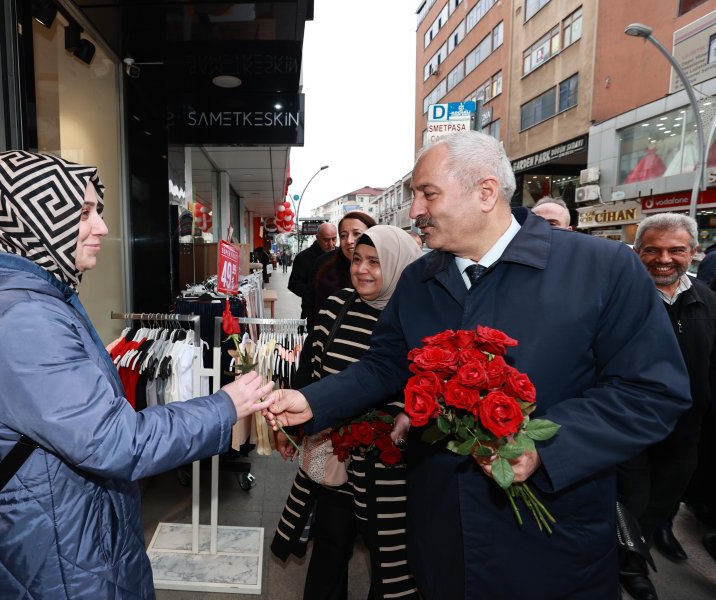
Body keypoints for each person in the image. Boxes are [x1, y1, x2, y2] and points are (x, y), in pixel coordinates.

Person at [264, 131, 691, 599]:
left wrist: (543, 448)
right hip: (441, 535)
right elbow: (386, 365)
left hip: (552, 539)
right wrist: (312, 400)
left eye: (427, 194)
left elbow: (650, 390)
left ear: (486, 192)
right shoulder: (419, 280)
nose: (414, 210)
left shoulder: (602, 269)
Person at [0, 151, 274, 599]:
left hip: (54, 545)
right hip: (57, 565)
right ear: (30, 222)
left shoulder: (20, 305)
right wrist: (224, 406)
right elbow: (116, 442)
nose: (101, 226)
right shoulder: (21, 321)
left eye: (96, 211)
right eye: (83, 213)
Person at [271, 225, 421, 600]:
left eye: (375, 262)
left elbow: (425, 386)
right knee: (330, 547)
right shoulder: (337, 305)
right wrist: (293, 429)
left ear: (399, 265)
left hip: (391, 471)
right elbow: (310, 372)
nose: (362, 269)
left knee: (390, 562)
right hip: (334, 457)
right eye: (357, 260)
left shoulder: (417, 318)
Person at [615, 214, 716, 600]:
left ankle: (640, 547)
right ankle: (629, 566)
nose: (664, 259)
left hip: (686, 430)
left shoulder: (708, 300)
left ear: (693, 252)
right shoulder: (618, 298)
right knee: (632, 499)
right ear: (637, 252)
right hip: (629, 427)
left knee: (664, 499)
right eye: (652, 250)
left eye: (676, 250)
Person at [309, 211, 376, 328]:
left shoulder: (389, 271)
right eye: (343, 236)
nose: (349, 241)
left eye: (356, 234)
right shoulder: (327, 275)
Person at [289, 221, 337, 328]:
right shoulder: (303, 257)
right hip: (312, 313)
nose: (331, 244)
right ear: (317, 238)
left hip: (338, 312)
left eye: (334, 239)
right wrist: (314, 291)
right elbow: (293, 284)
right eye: (326, 240)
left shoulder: (341, 255)